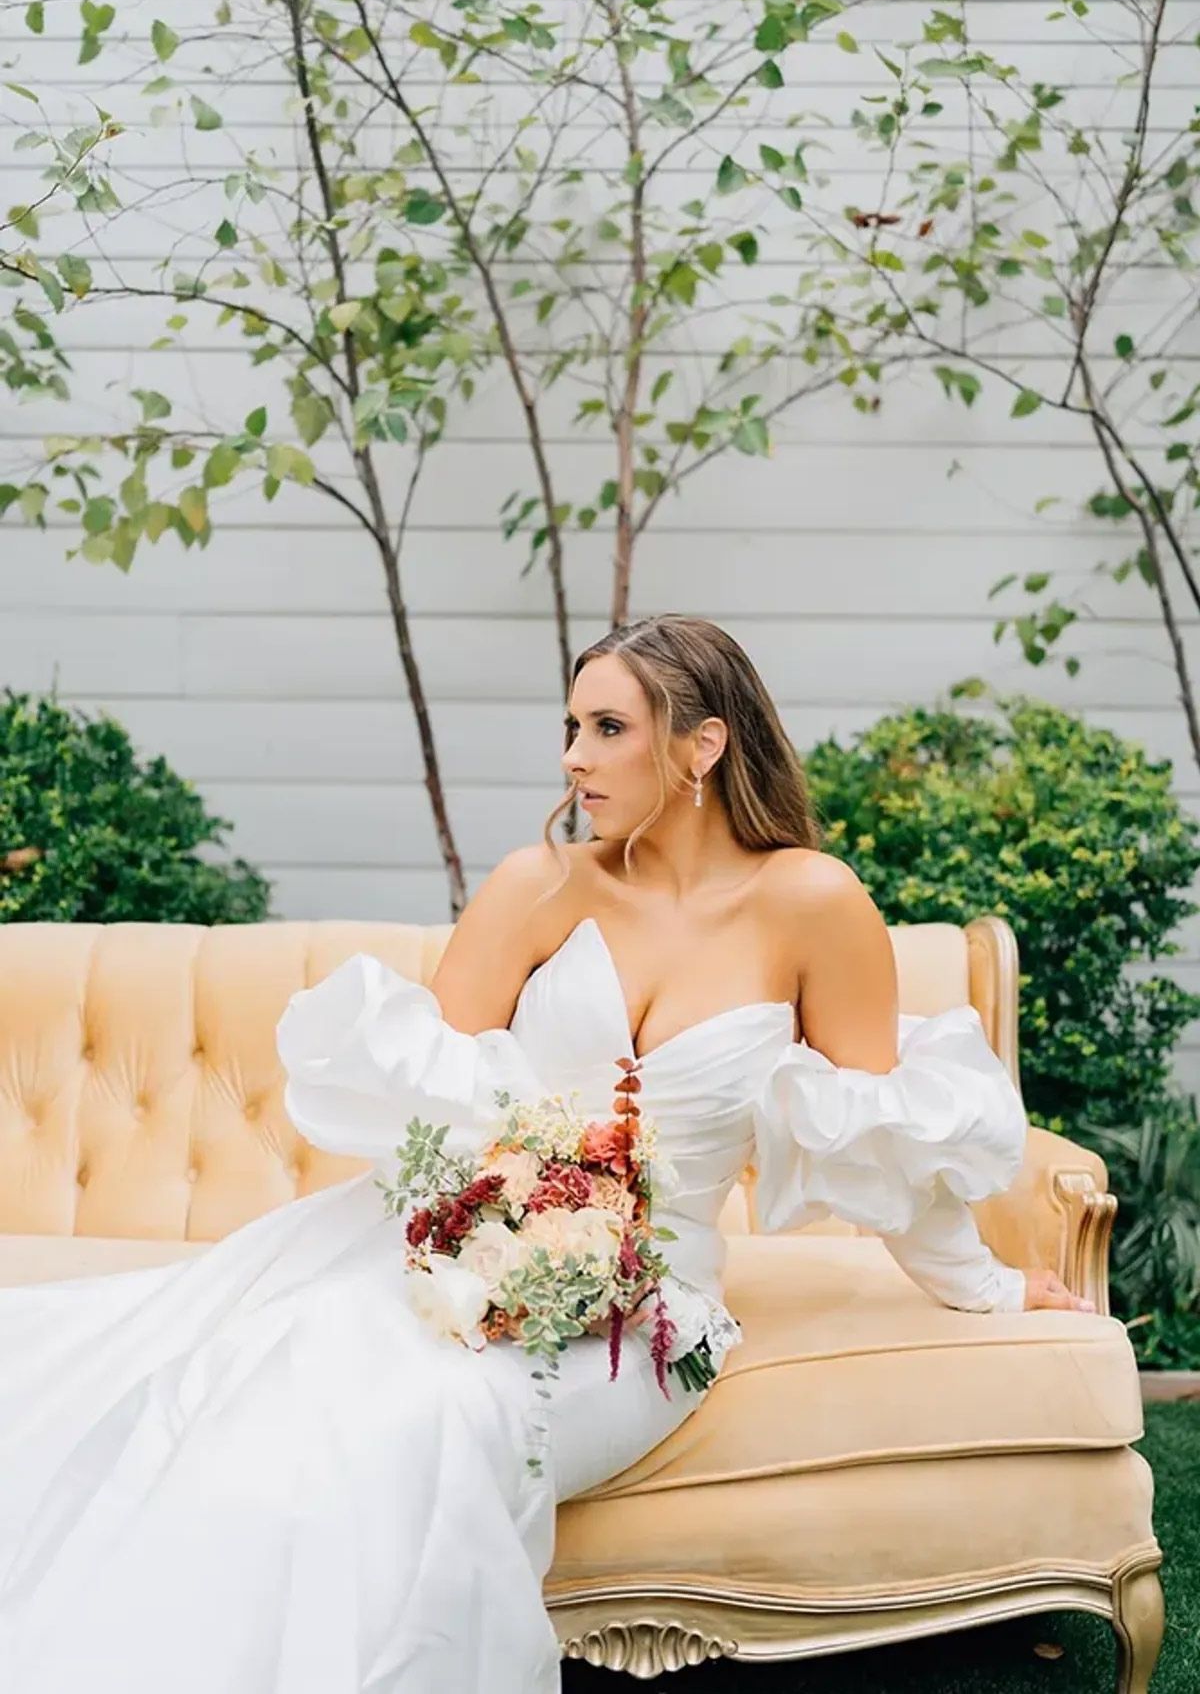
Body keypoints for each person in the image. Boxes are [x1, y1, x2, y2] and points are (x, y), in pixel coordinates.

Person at [0, 613, 1091, 1694]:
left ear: (701, 745)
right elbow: (430, 1102)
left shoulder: (811, 901)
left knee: (431, 1419)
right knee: (266, 1382)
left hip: (660, 1312)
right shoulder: (540, 881)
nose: (574, 756)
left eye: (608, 725)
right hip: (467, 1255)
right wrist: (479, 1234)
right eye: (571, 724)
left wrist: (993, 1288)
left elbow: (883, 1141)